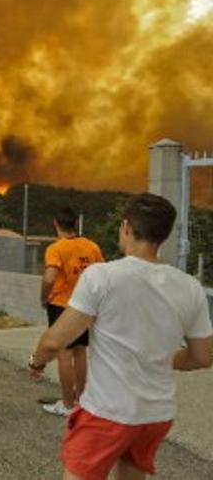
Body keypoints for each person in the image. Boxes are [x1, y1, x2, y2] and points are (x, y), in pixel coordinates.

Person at [29, 193, 213, 480]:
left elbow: (54, 341)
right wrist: (165, 357)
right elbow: (203, 356)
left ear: (126, 227)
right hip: (156, 415)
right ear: (163, 235)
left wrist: (36, 362)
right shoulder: (190, 287)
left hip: (107, 411)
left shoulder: (102, 277)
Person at [38, 207, 104, 417]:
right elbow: (102, 273)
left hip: (61, 305)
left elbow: (49, 278)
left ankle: (67, 404)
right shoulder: (92, 246)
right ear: (76, 223)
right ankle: (81, 401)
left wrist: (43, 298)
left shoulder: (56, 248)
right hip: (85, 306)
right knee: (80, 351)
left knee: (64, 353)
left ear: (55, 224)